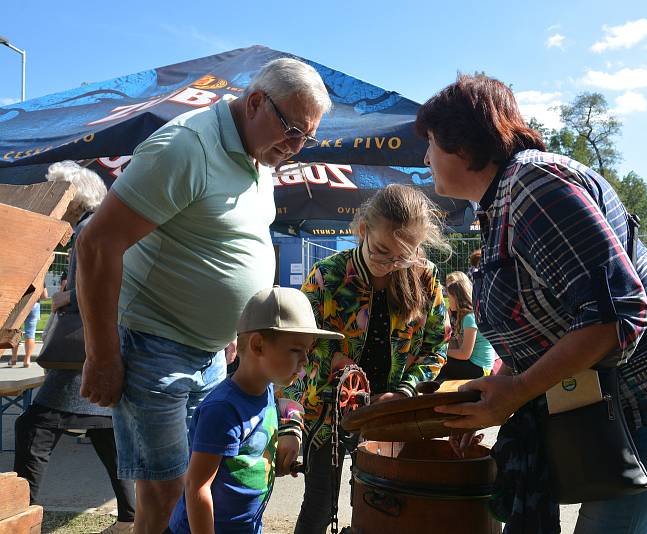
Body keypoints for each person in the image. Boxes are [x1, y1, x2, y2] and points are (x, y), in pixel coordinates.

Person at [417, 74, 647, 533]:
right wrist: (497, 391)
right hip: (611, 392)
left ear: (462, 144)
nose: (425, 158)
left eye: (430, 143)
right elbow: (549, 320)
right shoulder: (501, 200)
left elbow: (616, 315)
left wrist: (519, 392)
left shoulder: (534, 183)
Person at [76, 58, 331, 534]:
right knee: (166, 495)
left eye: (306, 138)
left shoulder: (261, 156)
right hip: (153, 345)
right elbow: (96, 244)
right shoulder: (186, 146)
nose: (296, 148)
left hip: (212, 352)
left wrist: (231, 330)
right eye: (293, 130)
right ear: (256, 102)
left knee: (203, 486)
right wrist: (103, 355)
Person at [280, 184, 451, 534]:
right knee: (319, 506)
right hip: (327, 414)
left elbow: (437, 346)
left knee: (380, 505)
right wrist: (332, 360)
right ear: (362, 230)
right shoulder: (326, 276)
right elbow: (297, 345)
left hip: (390, 416)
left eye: (405, 254)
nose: (392, 264)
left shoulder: (426, 277)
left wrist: (404, 392)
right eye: (382, 251)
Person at [14, 161, 135, 534]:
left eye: (58, 192)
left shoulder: (88, 229)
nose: (55, 201)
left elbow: (95, 295)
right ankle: (132, 517)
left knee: (34, 428)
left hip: (84, 353)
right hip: (101, 350)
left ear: (73, 195)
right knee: (105, 433)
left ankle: (21, 511)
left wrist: (63, 298)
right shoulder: (105, 225)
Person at [167, 286, 343, 534]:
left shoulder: (267, 391)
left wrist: (271, 466)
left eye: (307, 351)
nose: (305, 360)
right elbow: (197, 486)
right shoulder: (223, 410)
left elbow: (244, 457)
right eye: (296, 350)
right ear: (258, 346)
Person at [438, 271, 496, 381]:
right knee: (440, 362)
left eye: (449, 298)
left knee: (440, 363)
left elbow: (465, 354)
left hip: (480, 369)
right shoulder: (462, 317)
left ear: (457, 298)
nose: (448, 301)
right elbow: (459, 347)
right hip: (473, 364)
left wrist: (441, 352)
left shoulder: (469, 318)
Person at [5, 287, 46, 368]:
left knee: (15, 331)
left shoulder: (17, 276)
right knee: (30, 333)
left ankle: (13, 358)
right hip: (33, 305)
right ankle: (27, 360)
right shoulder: (39, 277)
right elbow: (44, 295)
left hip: (19, 303)